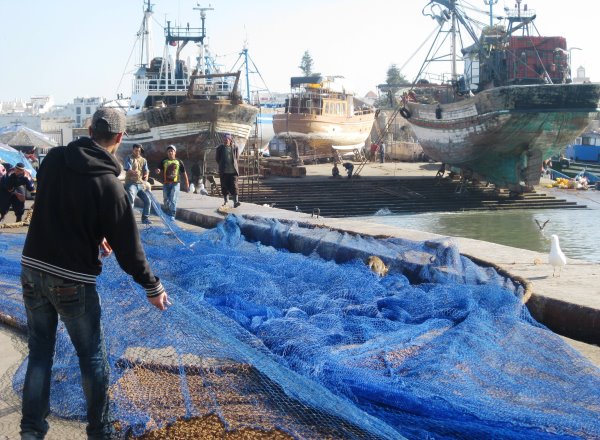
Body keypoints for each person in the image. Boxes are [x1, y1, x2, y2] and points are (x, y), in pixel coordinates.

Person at [20, 108, 170, 440]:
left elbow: (54, 202)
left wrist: (93, 230)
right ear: (119, 139)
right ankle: (100, 432)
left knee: (40, 351)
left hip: (32, 268)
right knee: (92, 358)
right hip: (72, 280)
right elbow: (129, 249)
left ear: (89, 130)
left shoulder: (55, 159)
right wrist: (152, 286)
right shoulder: (109, 186)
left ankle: (31, 432)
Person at [155, 145, 189, 221]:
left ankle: (172, 214)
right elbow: (158, 169)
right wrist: (158, 171)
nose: (170, 152)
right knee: (166, 199)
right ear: (167, 153)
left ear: (175, 152)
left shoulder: (179, 161)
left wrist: (187, 183)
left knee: (173, 199)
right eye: (169, 151)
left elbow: (184, 173)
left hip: (175, 183)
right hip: (166, 183)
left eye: (172, 151)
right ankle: (167, 212)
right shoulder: (164, 161)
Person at [123, 143, 153, 224]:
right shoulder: (128, 158)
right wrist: (133, 172)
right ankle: (129, 220)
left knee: (147, 200)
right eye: (136, 150)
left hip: (140, 184)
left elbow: (146, 170)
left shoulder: (144, 160)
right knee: (131, 201)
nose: (137, 152)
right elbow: (127, 168)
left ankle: (145, 218)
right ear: (133, 150)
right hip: (131, 183)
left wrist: (146, 175)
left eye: (139, 151)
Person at [215, 134, 241, 207]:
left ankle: (236, 201)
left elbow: (237, 158)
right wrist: (222, 165)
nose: (226, 141)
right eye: (225, 140)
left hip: (233, 171)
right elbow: (217, 159)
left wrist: (234, 165)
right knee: (224, 186)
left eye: (227, 140)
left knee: (234, 186)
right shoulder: (220, 148)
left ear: (230, 140)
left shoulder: (235, 148)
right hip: (224, 171)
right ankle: (226, 201)